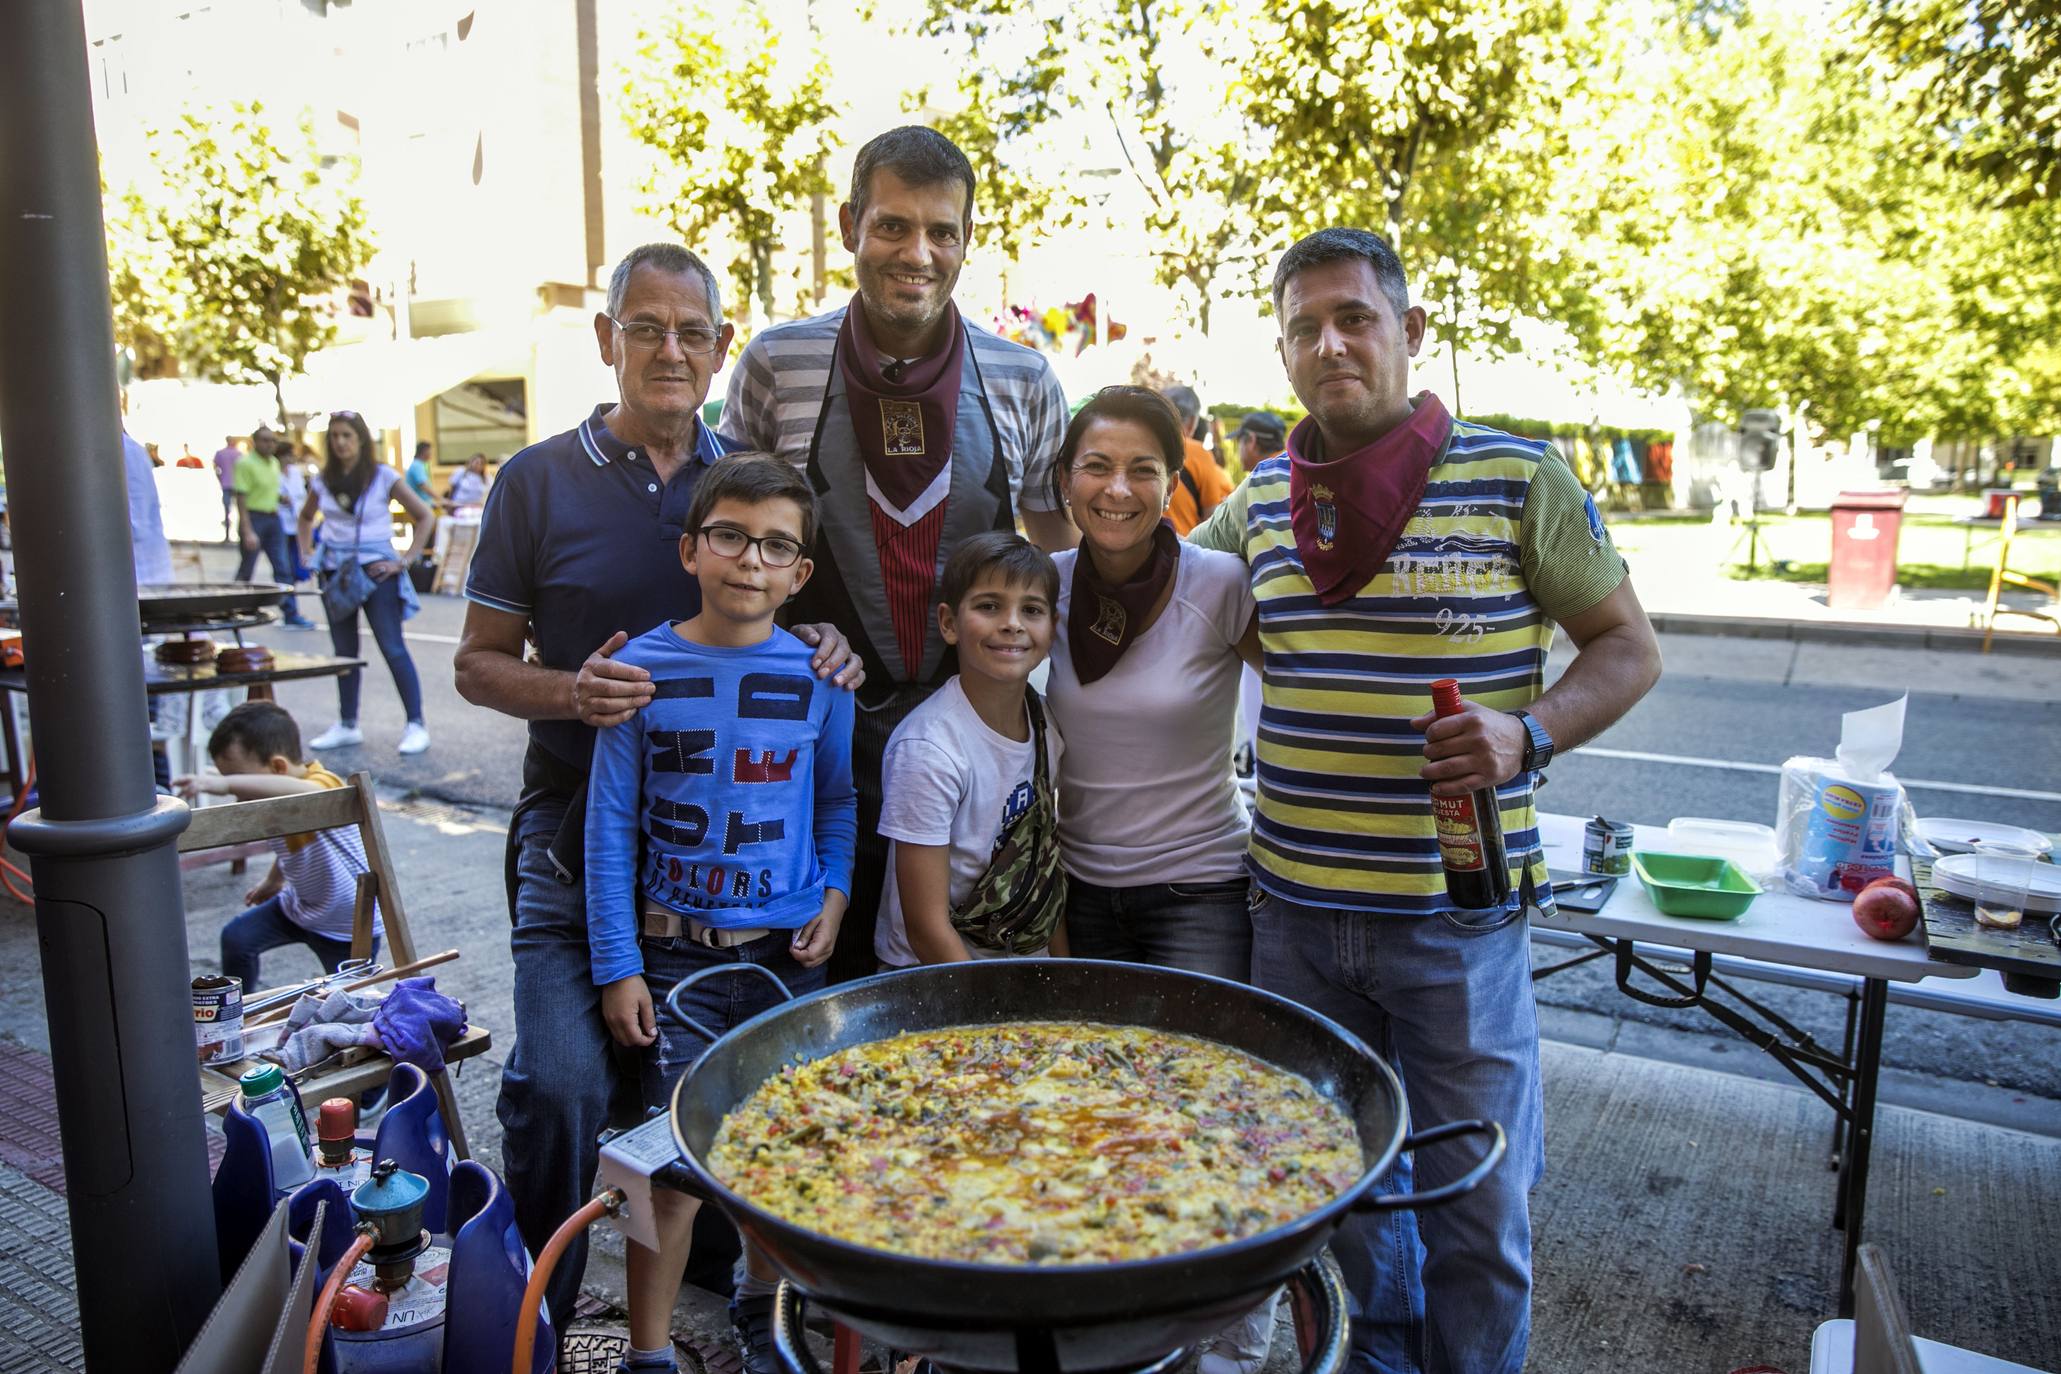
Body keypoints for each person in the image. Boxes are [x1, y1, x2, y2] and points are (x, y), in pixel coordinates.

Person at [1188, 228, 1663, 1374]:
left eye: (1354, 317)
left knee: (1478, 1200)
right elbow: (1151, 595)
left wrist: (1526, 733)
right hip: (1291, 913)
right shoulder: (1255, 502)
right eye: (1304, 326)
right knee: (1341, 1188)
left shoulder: (1518, 479)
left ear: (1411, 332)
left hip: (1456, 921)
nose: (1330, 342)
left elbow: (1627, 650)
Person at [452, 242, 860, 1333]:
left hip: (728, 854)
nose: (669, 350)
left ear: (723, 347)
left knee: (716, 1123)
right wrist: (570, 692)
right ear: (608, 341)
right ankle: (524, 1296)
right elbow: (475, 664)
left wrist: (821, 648)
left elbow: (794, 615)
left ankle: (686, 1306)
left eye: (693, 331)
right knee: (562, 1084)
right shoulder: (536, 480)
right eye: (646, 326)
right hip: (575, 826)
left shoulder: (749, 481)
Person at [720, 125, 1075, 984]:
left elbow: (1059, 556)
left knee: (961, 962)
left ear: (965, 242)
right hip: (815, 736)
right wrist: (784, 631)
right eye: (892, 226)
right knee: (813, 976)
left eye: (941, 232)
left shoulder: (1023, 377)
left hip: (975, 739)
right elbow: (732, 550)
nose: (917, 252)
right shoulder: (776, 361)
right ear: (848, 225)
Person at [586, 454, 854, 1374]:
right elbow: (610, 828)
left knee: (777, 1155)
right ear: (693, 549)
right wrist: (619, 963)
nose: (750, 561)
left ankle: (760, 1311)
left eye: (776, 546)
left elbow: (835, 802)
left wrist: (835, 892)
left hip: (787, 958)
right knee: (668, 1173)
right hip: (673, 967)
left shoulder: (823, 676)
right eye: (731, 537)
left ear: (800, 573)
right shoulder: (636, 669)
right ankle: (651, 1353)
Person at [1044, 388, 1272, 1374]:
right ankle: (1120, 1334)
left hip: (1198, 896)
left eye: (1145, 469)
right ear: (1065, 481)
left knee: (1202, 1121)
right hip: (1079, 899)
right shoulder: (1035, 584)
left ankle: (1224, 1349)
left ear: (1174, 486)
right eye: (1098, 465)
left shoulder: (1221, 583)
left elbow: (1313, 683)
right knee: (1102, 1124)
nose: (1119, 488)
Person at [875, 531, 1067, 968]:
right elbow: (925, 929)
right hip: (931, 982)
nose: (1012, 623)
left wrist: (1065, 986)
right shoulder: (929, 748)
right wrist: (991, 1022)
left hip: (1022, 974)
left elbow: (1043, 873)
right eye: (989, 606)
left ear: (1052, 628)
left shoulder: (1046, 724)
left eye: (1031, 610)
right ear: (948, 623)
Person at [175, 701, 383, 993]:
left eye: (243, 783)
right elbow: (295, 846)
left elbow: (312, 795)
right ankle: (241, 1010)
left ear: (278, 767)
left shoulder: (323, 782)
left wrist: (222, 785)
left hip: (346, 924)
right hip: (300, 906)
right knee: (237, 938)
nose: (239, 794)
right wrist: (274, 880)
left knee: (348, 997)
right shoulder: (277, 803)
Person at [296, 410, 436, 755]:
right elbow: (303, 517)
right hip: (336, 572)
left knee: (392, 647)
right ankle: (347, 724)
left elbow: (425, 515)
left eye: (347, 435)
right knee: (344, 653)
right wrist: (306, 554)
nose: (340, 442)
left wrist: (404, 561)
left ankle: (416, 724)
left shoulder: (383, 476)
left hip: (377, 572)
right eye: (335, 436)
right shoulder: (322, 480)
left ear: (361, 440)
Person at [234, 426, 314, 627]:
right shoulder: (245, 464)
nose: (269, 444)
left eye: (272, 441)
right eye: (265, 440)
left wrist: (281, 498)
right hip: (254, 518)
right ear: (255, 441)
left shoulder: (273, 463)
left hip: (273, 517)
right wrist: (247, 529)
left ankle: (290, 612)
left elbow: (268, 489)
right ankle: (233, 608)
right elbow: (241, 498)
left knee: (283, 568)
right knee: (247, 569)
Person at [1161, 384, 1233, 536]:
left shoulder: (1142, 445)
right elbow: (1211, 518)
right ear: (1193, 420)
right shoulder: (1199, 453)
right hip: (1181, 550)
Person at [1232, 410, 1288, 476]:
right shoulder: (1293, 472)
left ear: (1252, 440)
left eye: (1239, 440)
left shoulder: (1257, 483)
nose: (1239, 448)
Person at [213, 434, 242, 542]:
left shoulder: (220, 453)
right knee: (239, 510)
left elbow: (215, 467)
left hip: (226, 484)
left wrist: (220, 479)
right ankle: (238, 535)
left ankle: (228, 536)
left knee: (227, 510)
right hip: (237, 485)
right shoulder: (239, 454)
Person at [405, 440, 435, 504]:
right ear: (425, 451)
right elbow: (424, 486)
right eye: (430, 451)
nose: (431, 454)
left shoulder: (421, 465)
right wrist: (441, 499)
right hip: (420, 504)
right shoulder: (417, 466)